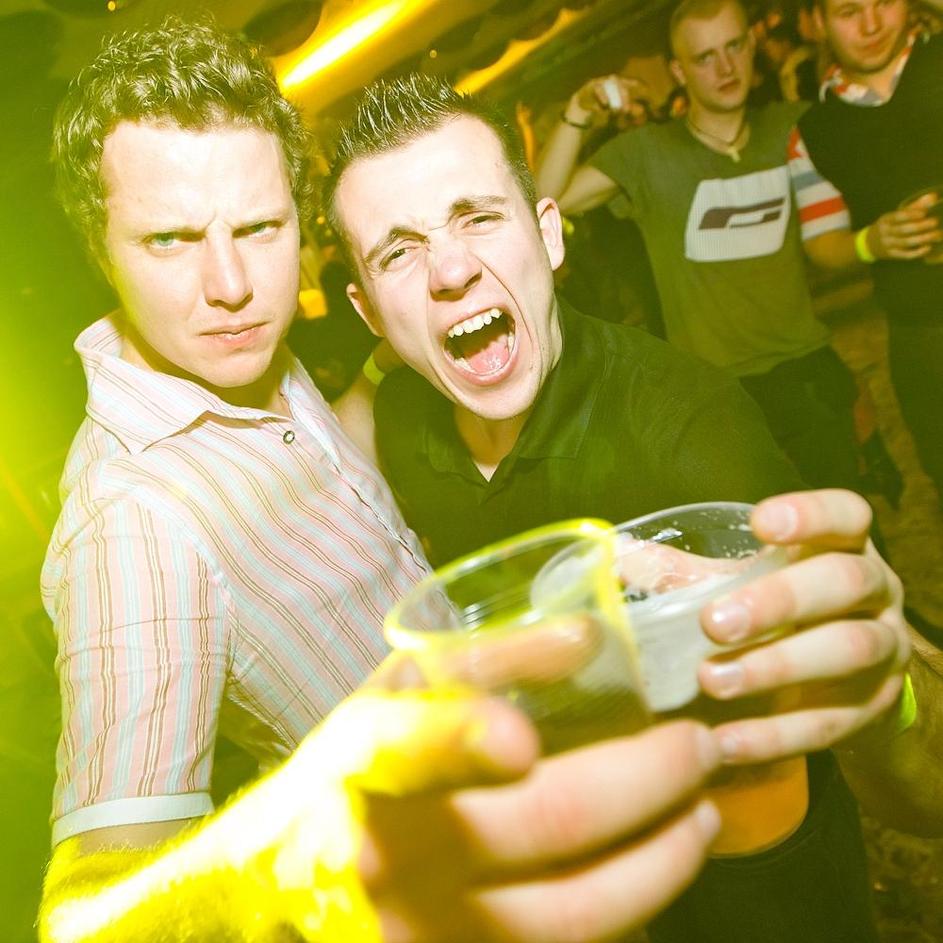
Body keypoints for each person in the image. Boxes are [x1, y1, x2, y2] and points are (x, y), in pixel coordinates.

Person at [38, 16, 937, 943]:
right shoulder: (131, 518)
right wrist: (288, 871)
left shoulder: (280, 376)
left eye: (260, 227)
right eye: (170, 239)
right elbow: (83, 916)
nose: (231, 283)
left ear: (548, 234)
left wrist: (889, 685)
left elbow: (901, 751)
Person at [322, 71, 932, 943]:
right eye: (398, 252)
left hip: (754, 883)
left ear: (548, 234)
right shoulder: (401, 424)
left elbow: (915, 769)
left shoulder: (686, 427)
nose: (450, 270)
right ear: (369, 311)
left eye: (478, 218)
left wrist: (887, 694)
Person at [535, 0, 864, 495]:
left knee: (841, 523)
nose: (725, 68)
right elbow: (543, 203)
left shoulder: (793, 128)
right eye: (705, 57)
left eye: (734, 46)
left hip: (806, 371)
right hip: (717, 391)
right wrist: (577, 113)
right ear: (679, 71)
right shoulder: (647, 154)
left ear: (752, 45)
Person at [788, 0, 943, 504]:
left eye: (885, 1)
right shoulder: (814, 132)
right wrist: (871, 242)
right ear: (816, 22)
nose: (872, 24)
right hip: (923, 337)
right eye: (849, 11)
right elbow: (822, 242)